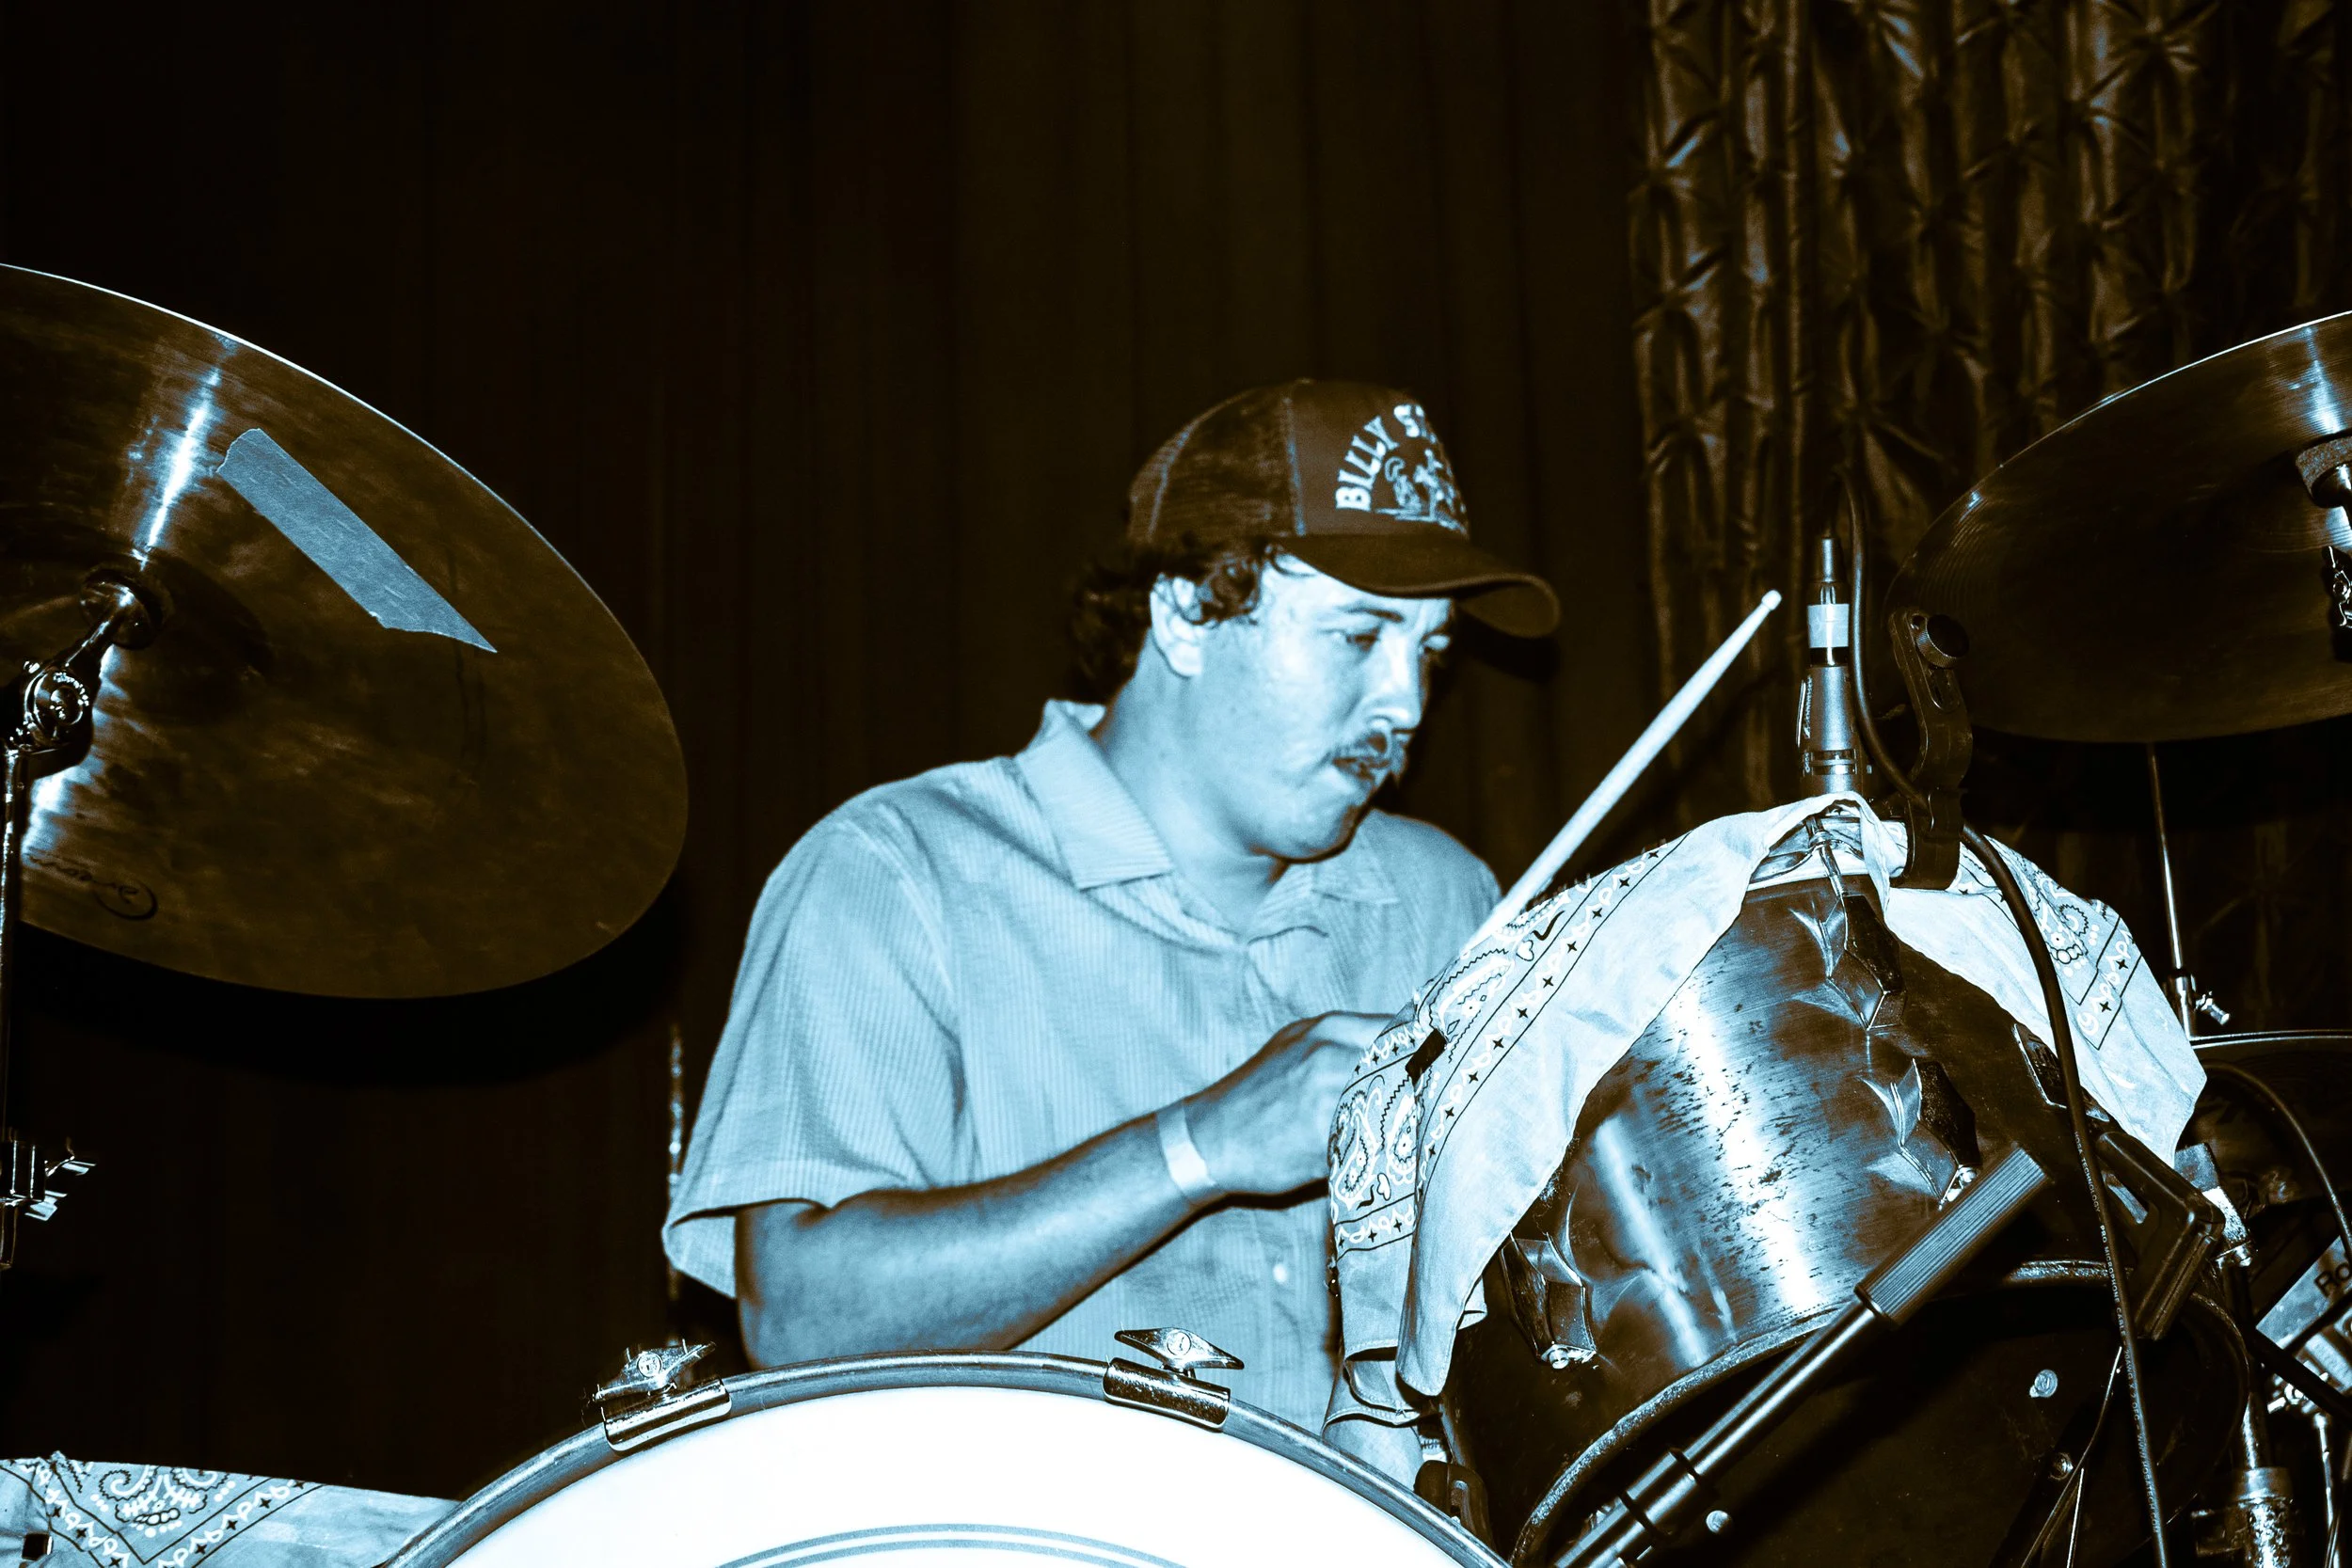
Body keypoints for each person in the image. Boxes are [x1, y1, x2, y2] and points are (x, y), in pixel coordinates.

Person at [662, 379, 1559, 1428]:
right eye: (1359, 637)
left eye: (1430, 651)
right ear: (1184, 612)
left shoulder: (1443, 900)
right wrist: (1198, 1146)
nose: (1405, 704)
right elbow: (802, 1317)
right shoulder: (898, 870)